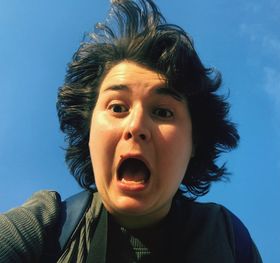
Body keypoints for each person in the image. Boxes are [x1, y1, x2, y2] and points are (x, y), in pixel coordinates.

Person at [0, 0, 262, 262]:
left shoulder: (227, 238)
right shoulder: (44, 225)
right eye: (117, 108)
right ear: (89, 131)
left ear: (194, 142)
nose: (136, 126)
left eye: (162, 112)